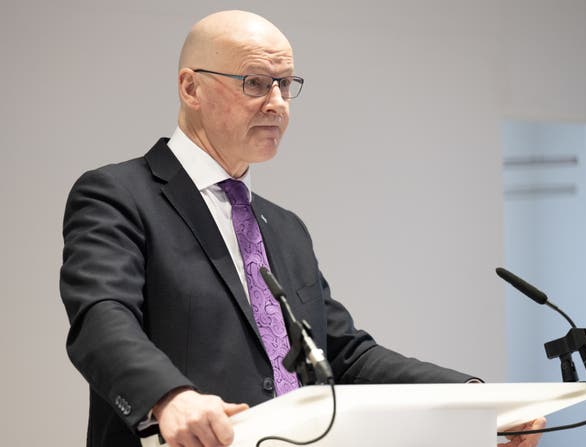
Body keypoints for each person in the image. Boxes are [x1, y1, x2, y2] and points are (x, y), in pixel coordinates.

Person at [60, 10, 545, 447]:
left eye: (285, 84)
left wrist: (475, 398)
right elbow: (102, 318)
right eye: (255, 83)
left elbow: (342, 355)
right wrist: (169, 398)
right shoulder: (119, 194)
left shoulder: (285, 229)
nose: (277, 103)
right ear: (191, 88)